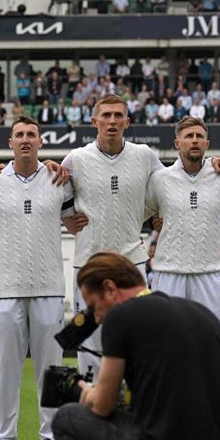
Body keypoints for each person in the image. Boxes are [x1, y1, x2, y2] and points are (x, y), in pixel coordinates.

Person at [52, 251, 220, 440]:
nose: (97, 319)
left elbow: (102, 405)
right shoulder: (203, 314)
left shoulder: (120, 316)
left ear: (110, 288)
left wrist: (83, 390)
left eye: (93, 306)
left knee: (66, 418)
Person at [0, 116, 73, 440]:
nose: (26, 139)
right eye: (20, 135)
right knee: (7, 371)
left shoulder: (58, 179)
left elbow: (76, 220)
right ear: (11, 142)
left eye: (32, 134)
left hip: (49, 287)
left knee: (54, 372)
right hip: (7, 288)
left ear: (41, 141)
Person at [61, 94, 166, 376]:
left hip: (132, 264)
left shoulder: (145, 155)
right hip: (89, 264)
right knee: (89, 347)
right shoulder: (75, 160)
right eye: (106, 115)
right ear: (94, 121)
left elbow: (171, 186)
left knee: (138, 341)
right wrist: (69, 220)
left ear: (127, 122)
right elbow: (55, 197)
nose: (112, 121)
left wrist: (157, 214)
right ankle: (94, 403)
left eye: (118, 115)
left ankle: (136, 403)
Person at [145, 117, 220, 342]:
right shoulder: (159, 179)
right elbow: (142, 214)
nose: (194, 141)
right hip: (168, 272)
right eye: (188, 136)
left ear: (207, 143)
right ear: (177, 143)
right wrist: (154, 221)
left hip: (212, 271)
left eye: (199, 136)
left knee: (215, 343)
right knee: (165, 343)